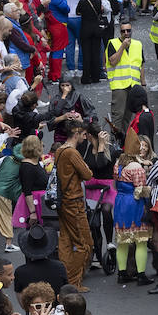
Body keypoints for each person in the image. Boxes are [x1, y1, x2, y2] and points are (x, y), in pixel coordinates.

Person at [55, 120, 94, 288]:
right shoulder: (72, 153)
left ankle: (64, 277)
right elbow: (87, 174)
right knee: (84, 243)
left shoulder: (59, 150)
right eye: (83, 134)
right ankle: (73, 282)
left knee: (64, 241)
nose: (85, 138)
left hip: (63, 201)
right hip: (74, 202)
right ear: (76, 133)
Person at [106, 23, 144, 133]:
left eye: (128, 30)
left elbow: (141, 65)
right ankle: (115, 141)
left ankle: (125, 141)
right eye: (123, 31)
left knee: (128, 115)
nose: (126, 33)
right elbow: (112, 62)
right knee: (118, 115)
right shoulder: (113, 43)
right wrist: (122, 46)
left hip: (133, 85)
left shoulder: (138, 44)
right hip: (119, 85)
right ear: (120, 32)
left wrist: (143, 83)